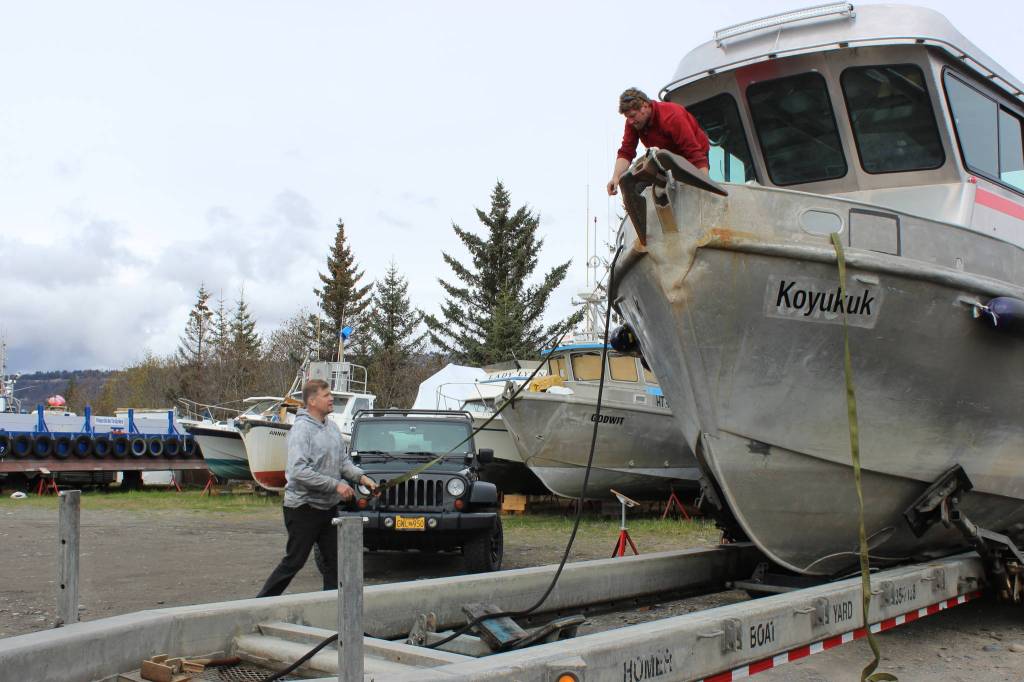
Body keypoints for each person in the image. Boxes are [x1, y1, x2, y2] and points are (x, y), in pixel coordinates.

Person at [257, 379, 377, 597]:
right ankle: (258, 605)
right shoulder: (301, 431)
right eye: (326, 395)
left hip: (328, 508)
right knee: (294, 561)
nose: (331, 399)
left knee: (335, 564)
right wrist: (336, 485)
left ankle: (335, 614)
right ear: (312, 401)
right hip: (303, 508)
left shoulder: (332, 428)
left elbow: (342, 462)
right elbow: (298, 472)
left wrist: (362, 478)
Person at [607, 88, 710, 196]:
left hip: (691, 159)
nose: (630, 121)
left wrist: (705, 190)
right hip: (665, 161)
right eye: (627, 117)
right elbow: (626, 151)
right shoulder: (633, 123)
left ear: (645, 106)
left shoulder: (672, 116)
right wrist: (615, 177)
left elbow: (696, 156)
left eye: (632, 116)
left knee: (691, 194)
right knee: (635, 188)